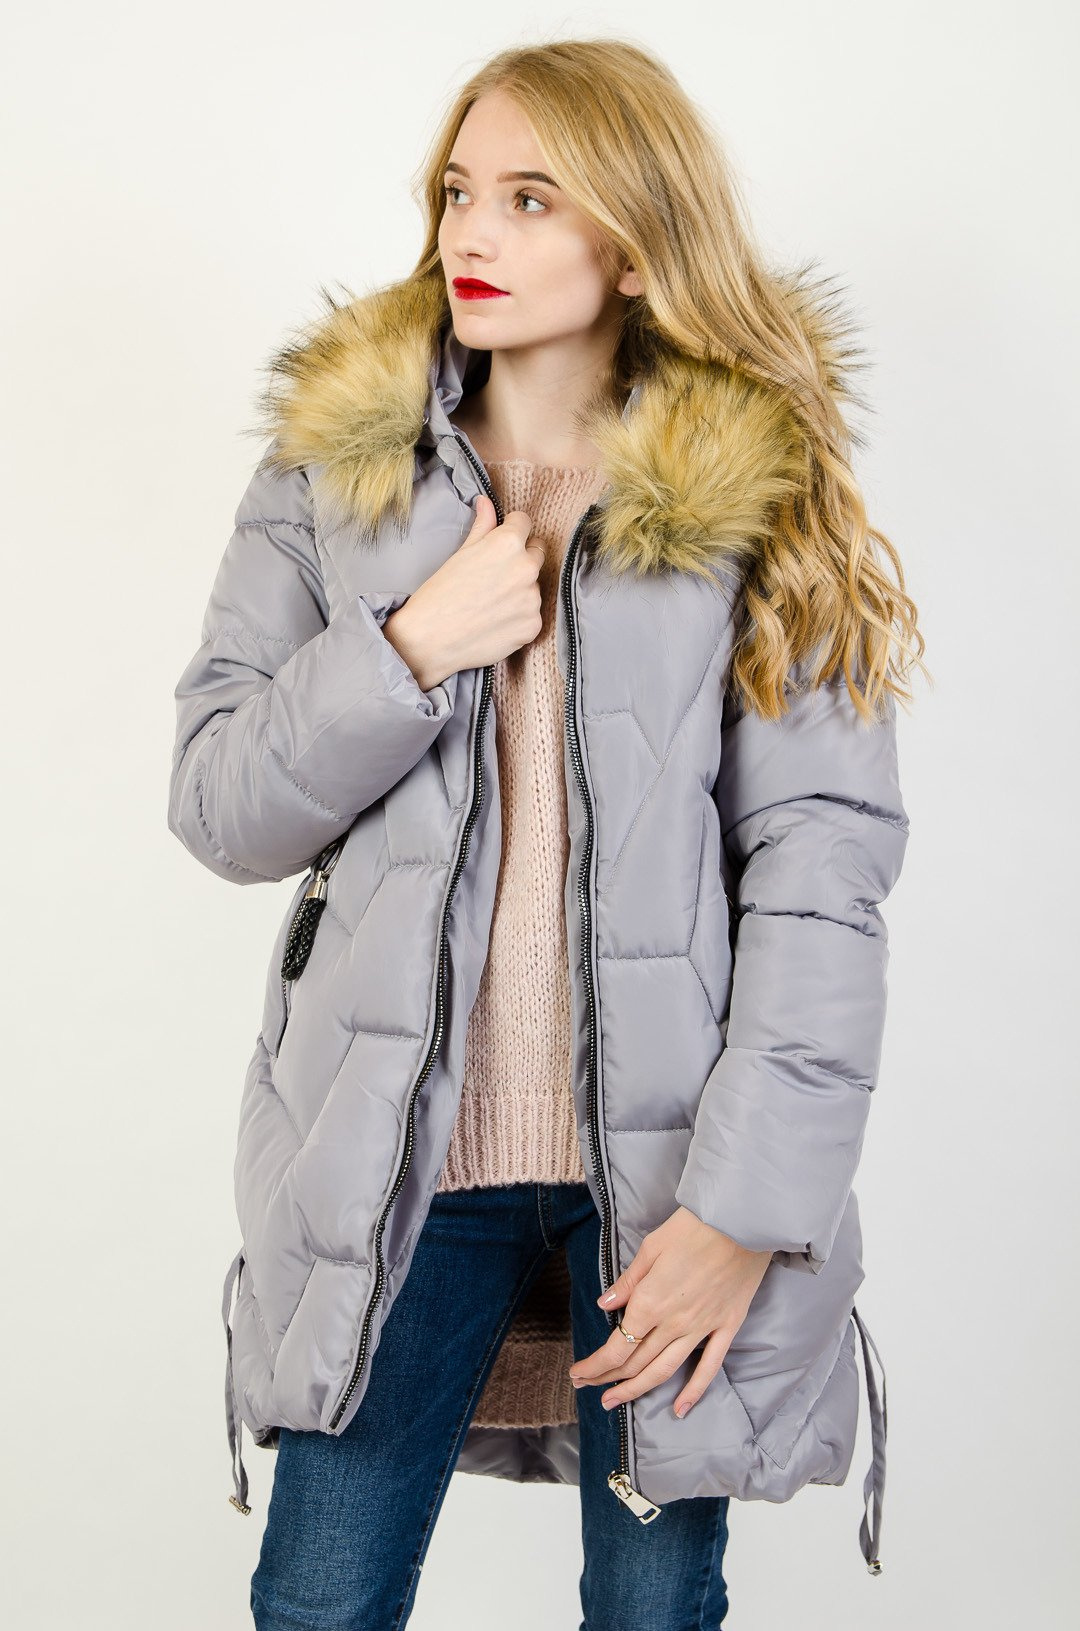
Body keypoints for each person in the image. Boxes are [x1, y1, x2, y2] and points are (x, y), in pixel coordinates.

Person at [167, 36, 924, 1631]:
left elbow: (819, 884)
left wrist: (743, 1216)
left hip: (667, 1179)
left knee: (651, 1610)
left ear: (637, 244)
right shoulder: (333, 477)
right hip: (396, 1164)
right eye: (459, 192)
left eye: (529, 198)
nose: (473, 233)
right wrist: (409, 648)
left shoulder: (749, 501)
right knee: (318, 1602)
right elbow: (221, 802)